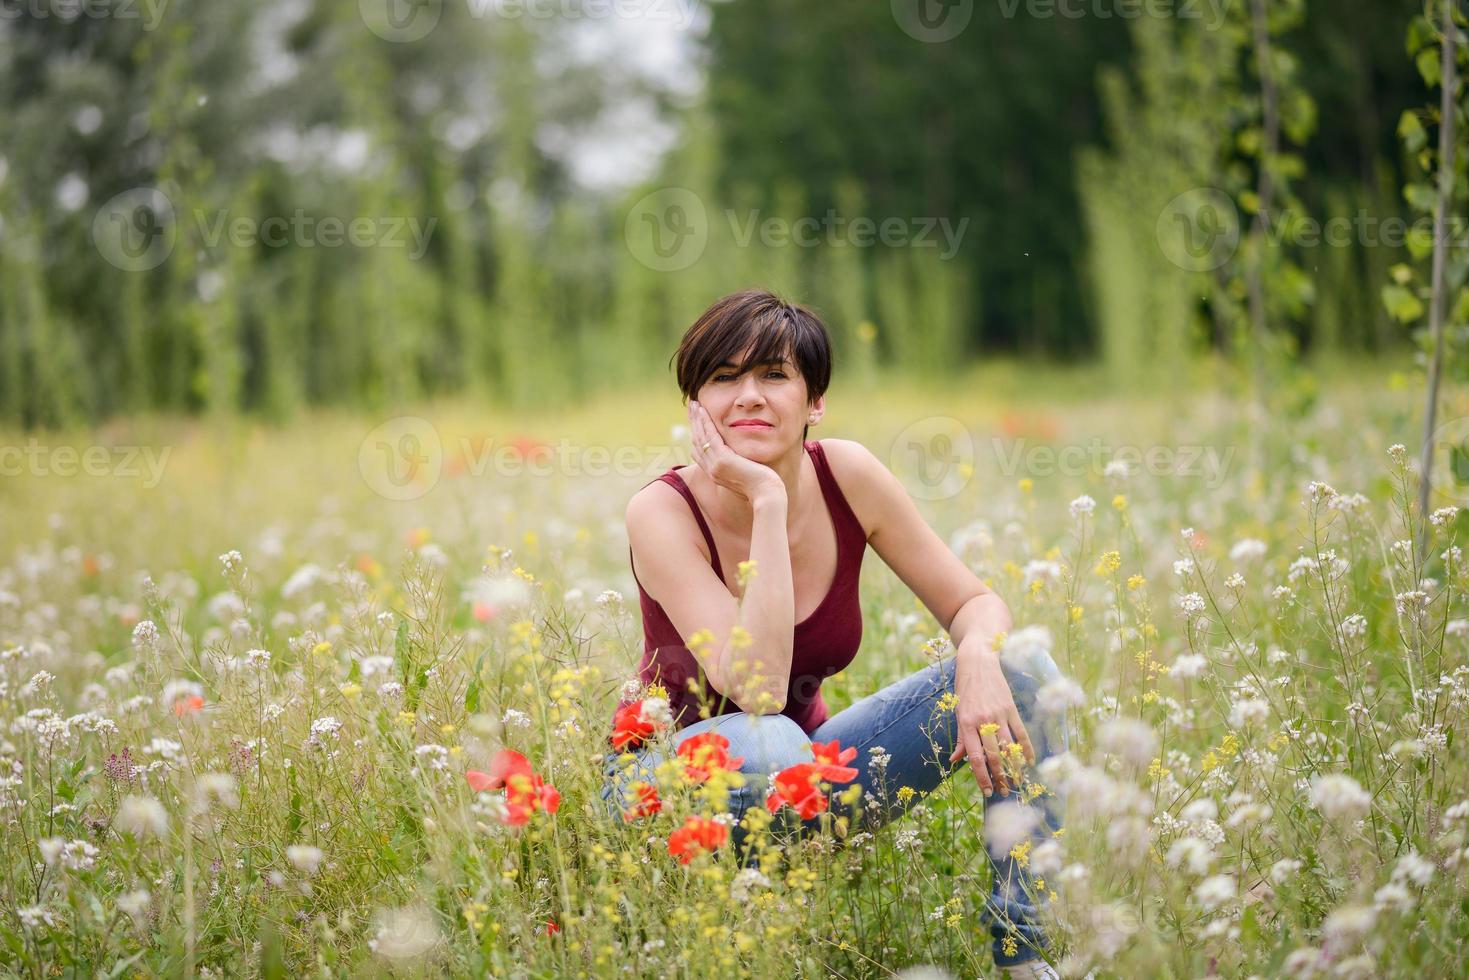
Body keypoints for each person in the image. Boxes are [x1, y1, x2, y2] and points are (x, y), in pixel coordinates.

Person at [601, 288, 1070, 978]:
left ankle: (1024, 955)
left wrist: (975, 652)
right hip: (667, 783)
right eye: (723, 378)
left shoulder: (847, 474)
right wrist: (764, 498)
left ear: (814, 401)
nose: (749, 396)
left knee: (1027, 669)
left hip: (805, 777)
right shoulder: (661, 511)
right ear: (695, 406)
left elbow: (973, 600)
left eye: (774, 375)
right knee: (768, 739)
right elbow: (757, 691)